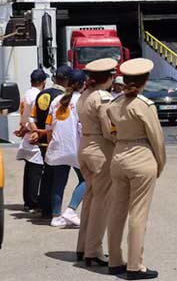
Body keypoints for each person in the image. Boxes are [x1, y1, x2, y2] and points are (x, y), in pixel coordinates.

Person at [107, 58, 166, 280]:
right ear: (145, 81)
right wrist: (160, 162)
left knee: (117, 211)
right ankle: (135, 265)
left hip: (119, 154)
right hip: (141, 155)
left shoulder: (113, 104)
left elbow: (110, 131)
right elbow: (156, 138)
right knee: (138, 214)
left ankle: (114, 260)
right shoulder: (144, 105)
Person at [76, 58, 117, 266]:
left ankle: (83, 246)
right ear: (109, 78)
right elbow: (109, 129)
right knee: (102, 202)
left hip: (84, 145)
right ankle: (94, 250)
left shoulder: (84, 95)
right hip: (100, 149)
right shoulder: (103, 97)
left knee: (91, 199)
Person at [28, 65, 73, 218]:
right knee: (57, 177)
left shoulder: (41, 94)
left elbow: (32, 118)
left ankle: (44, 207)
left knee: (46, 174)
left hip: (41, 141)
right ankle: (53, 210)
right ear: (67, 80)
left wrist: (36, 132)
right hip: (54, 139)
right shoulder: (63, 98)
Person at [45, 69, 87, 227]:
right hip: (75, 146)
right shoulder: (81, 101)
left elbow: (48, 126)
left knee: (59, 181)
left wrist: (50, 146)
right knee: (88, 179)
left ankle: (56, 216)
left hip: (57, 146)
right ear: (83, 84)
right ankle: (70, 209)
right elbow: (82, 128)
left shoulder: (56, 100)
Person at [15, 69, 47, 211]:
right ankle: (33, 201)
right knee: (35, 170)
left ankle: (28, 200)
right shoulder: (37, 96)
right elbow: (33, 118)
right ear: (42, 82)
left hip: (26, 133)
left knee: (29, 170)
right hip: (33, 134)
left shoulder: (26, 94)